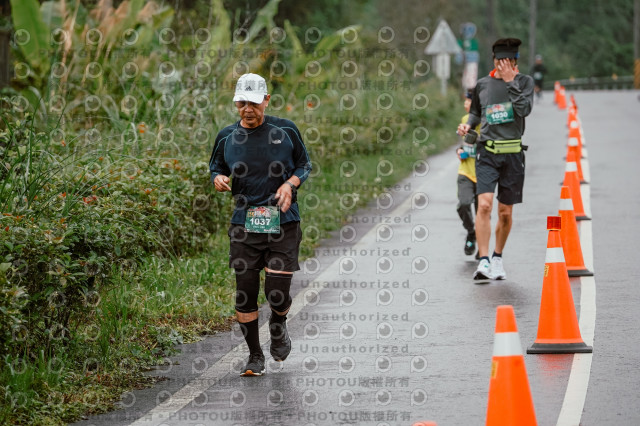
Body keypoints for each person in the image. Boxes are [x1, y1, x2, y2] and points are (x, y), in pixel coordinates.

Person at [209, 73, 312, 376]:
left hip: (283, 222)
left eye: (253, 103)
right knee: (245, 291)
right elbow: (216, 166)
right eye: (241, 102)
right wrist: (217, 177)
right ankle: (255, 355)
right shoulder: (226, 136)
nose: (247, 109)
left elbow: (303, 165)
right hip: (244, 224)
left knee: (277, 293)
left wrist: (290, 185)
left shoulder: (286, 130)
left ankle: (278, 323)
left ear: (266, 100)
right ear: (236, 102)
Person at [456, 38, 534, 280]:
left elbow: (524, 110)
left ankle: (498, 257)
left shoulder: (525, 82)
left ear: (515, 62)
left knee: (505, 213)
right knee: (485, 205)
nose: (504, 65)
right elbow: (476, 113)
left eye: (509, 61)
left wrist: (511, 83)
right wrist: (467, 125)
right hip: (486, 152)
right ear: (494, 61)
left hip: (512, 154)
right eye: (500, 61)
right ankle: (484, 261)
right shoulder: (483, 84)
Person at [456, 89, 480, 257]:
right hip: (465, 171)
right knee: (464, 204)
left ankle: (483, 250)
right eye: (465, 100)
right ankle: (471, 232)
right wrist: (459, 150)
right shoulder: (464, 120)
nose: (465, 103)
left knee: (482, 213)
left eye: (469, 100)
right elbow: (461, 144)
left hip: (483, 173)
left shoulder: (487, 122)